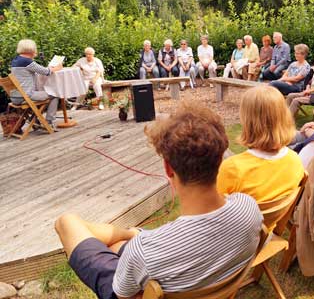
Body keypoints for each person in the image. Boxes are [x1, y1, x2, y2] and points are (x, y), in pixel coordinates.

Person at [55, 103, 263, 299]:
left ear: (168, 168)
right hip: (203, 273)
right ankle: (131, 233)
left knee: (66, 222)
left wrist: (137, 243)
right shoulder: (248, 208)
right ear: (220, 160)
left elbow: (122, 295)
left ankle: (130, 233)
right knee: (119, 244)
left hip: (139, 271)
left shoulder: (144, 252)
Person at [217, 86, 304, 203]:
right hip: (276, 221)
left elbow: (215, 211)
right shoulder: (295, 161)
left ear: (247, 120)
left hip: (243, 221)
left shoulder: (233, 168)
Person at [10, 39, 62, 130]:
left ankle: (34, 120)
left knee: (42, 94)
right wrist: (57, 68)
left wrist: (49, 69)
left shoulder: (16, 60)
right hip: (27, 96)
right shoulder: (27, 61)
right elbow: (46, 72)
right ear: (31, 49)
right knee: (54, 94)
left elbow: (37, 71)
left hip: (16, 96)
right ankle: (49, 122)